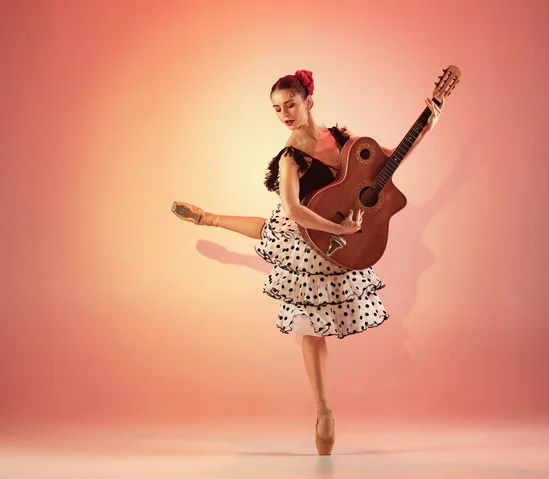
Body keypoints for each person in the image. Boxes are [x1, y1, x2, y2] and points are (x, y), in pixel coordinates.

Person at [172, 69, 443, 455]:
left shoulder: (344, 140)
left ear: (308, 102)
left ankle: (209, 218)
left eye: (290, 104)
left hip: (343, 223)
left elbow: (386, 163)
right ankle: (323, 411)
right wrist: (343, 232)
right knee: (308, 316)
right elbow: (294, 210)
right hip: (308, 229)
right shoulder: (289, 158)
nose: (284, 113)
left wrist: (425, 128)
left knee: (269, 232)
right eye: (277, 109)